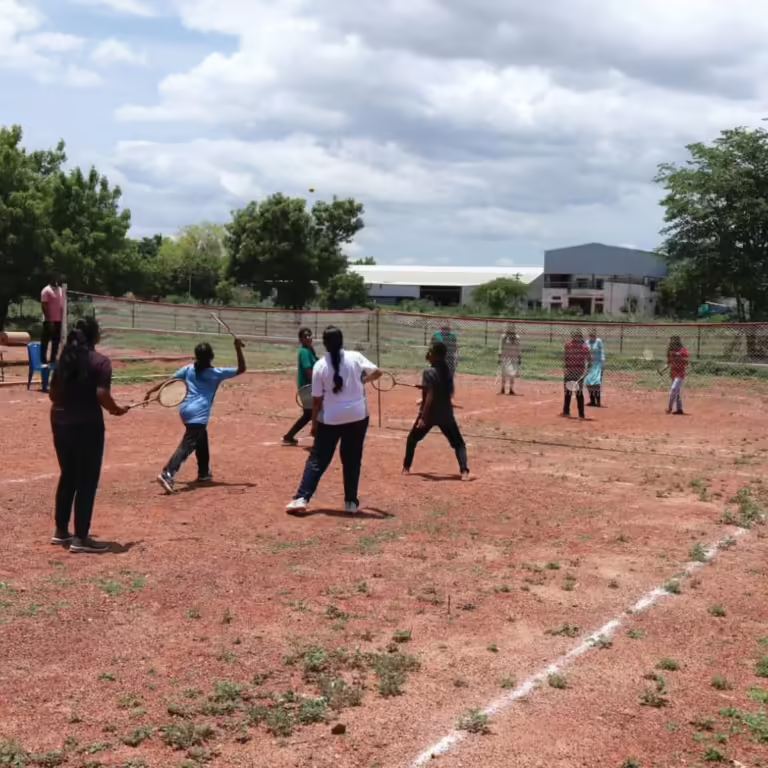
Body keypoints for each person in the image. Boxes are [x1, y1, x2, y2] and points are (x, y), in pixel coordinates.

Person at [49, 316, 128, 554]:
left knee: (69, 475)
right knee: (87, 480)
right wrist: (115, 409)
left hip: (59, 421)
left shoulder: (64, 360)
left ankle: (61, 531)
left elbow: (52, 394)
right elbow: (102, 394)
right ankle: (81, 538)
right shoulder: (100, 362)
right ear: (95, 336)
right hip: (87, 426)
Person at [286, 326, 382, 514]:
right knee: (352, 459)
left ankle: (301, 499)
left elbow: (317, 401)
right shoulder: (355, 357)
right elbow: (378, 372)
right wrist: (363, 380)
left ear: (324, 343)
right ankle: (351, 503)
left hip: (330, 418)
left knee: (318, 459)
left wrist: (314, 424)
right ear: (341, 341)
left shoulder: (320, 365)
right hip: (357, 416)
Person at [153, 337, 246, 493]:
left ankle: (204, 473)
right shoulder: (216, 373)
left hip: (185, 410)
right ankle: (168, 473)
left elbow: (169, 382)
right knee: (188, 444)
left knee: (201, 438)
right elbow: (241, 369)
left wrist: (151, 391)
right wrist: (237, 348)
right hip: (199, 413)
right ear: (211, 356)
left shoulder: (188, 369)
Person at [402, 341, 470, 479]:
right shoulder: (447, 372)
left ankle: (406, 468)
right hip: (446, 414)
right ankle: (464, 471)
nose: (429, 353)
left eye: (431, 351)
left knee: (412, 439)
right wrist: (426, 391)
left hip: (430, 414)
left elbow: (430, 395)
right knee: (459, 444)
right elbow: (447, 393)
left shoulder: (428, 372)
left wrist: (423, 418)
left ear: (437, 355)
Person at [282, 327, 319, 446]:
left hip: (309, 387)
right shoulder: (304, 352)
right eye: (305, 336)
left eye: (309, 335)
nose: (308, 338)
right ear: (301, 339)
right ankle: (319, 439)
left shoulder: (309, 351)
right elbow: (308, 371)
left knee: (309, 414)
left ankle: (289, 436)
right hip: (308, 387)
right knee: (315, 412)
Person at [562, 329, 590, 419]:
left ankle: (581, 414)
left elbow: (589, 360)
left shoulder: (584, 347)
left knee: (579, 393)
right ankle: (566, 412)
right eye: (574, 336)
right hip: (569, 371)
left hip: (579, 373)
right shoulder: (568, 345)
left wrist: (587, 371)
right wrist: (565, 369)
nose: (575, 338)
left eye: (577, 336)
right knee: (568, 392)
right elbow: (565, 357)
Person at [41, 275, 64, 365]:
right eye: (54, 278)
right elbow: (44, 306)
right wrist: (49, 320)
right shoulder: (46, 290)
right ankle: (43, 360)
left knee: (56, 341)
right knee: (45, 341)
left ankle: (53, 359)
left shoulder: (61, 290)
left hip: (59, 320)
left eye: (57, 278)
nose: (56, 280)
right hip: (49, 320)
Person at [665, 335, 689, 415]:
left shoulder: (683, 350)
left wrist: (677, 355)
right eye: (671, 341)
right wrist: (662, 370)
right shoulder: (670, 351)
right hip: (673, 373)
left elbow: (686, 362)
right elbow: (668, 363)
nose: (672, 343)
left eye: (674, 341)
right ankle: (679, 409)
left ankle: (669, 408)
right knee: (677, 392)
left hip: (680, 373)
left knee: (674, 389)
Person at [498, 326, 522, 395]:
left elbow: (519, 348)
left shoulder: (517, 337)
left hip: (513, 358)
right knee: (504, 374)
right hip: (505, 357)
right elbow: (500, 347)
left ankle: (511, 389)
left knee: (512, 374)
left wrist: (519, 357)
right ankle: (502, 389)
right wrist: (499, 356)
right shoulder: (504, 337)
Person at [585, 328, 605, 407]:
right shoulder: (587, 342)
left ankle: (598, 402)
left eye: (593, 335)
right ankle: (592, 401)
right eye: (590, 335)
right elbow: (585, 353)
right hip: (589, 365)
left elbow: (602, 352)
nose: (592, 336)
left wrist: (602, 363)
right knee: (588, 383)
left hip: (597, 365)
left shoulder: (598, 341)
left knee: (596, 384)